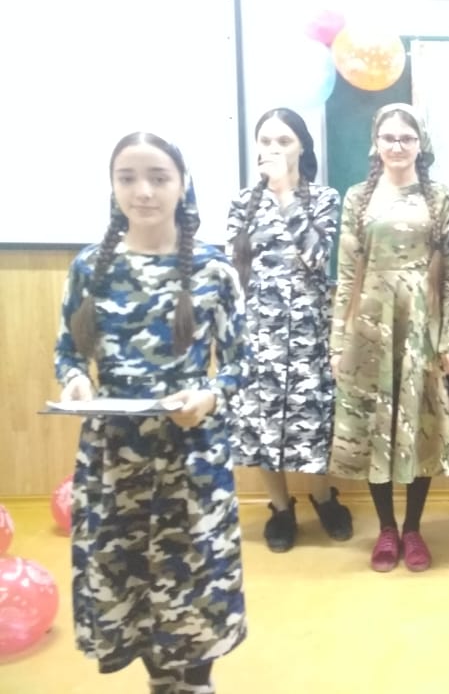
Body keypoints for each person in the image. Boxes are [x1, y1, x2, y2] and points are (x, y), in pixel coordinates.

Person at [54, 132, 250, 693]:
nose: (143, 191)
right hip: (114, 459)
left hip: (192, 457)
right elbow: (68, 352)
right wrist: (74, 381)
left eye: (158, 178)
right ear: (113, 187)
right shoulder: (90, 267)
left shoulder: (213, 269)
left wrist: (209, 396)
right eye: (128, 178)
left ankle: (197, 681)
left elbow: (241, 362)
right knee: (129, 578)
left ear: (182, 186)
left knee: (197, 578)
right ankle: (161, 682)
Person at [329, 103, 449, 573]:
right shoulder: (357, 197)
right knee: (374, 423)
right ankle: (386, 529)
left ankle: (413, 529)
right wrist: (338, 341)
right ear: (376, 143)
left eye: (407, 137)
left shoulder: (439, 197)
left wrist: (447, 339)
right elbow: (346, 274)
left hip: (420, 321)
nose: (398, 145)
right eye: (389, 137)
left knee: (419, 423)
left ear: (420, 144)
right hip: (369, 323)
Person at [226, 107, 352, 553]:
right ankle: (281, 508)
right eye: (266, 141)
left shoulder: (323, 198)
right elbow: (233, 272)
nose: (274, 149)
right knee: (261, 424)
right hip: (257, 334)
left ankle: (323, 497)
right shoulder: (243, 203)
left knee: (312, 421)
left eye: (284, 141)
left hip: (308, 331)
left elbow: (316, 256)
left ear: (302, 147)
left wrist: (284, 194)